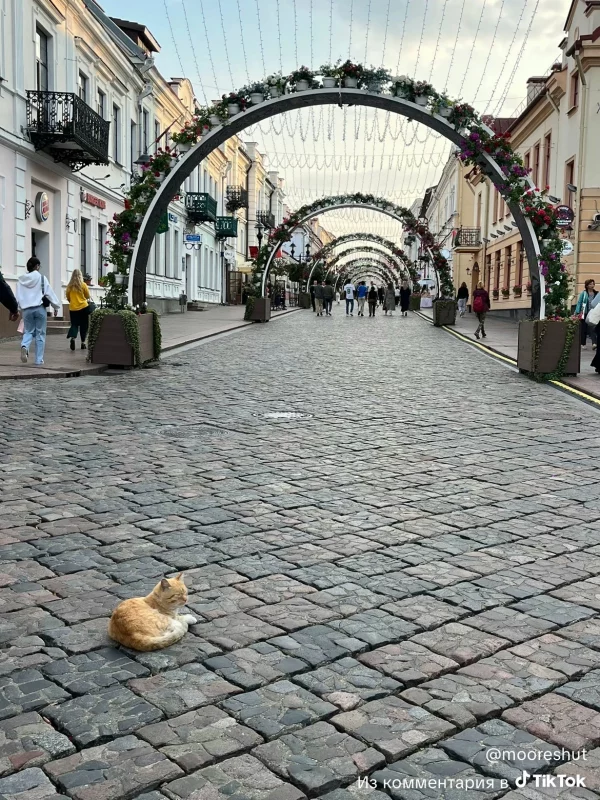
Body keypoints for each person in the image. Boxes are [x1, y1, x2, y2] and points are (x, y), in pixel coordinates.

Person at [16, 256, 60, 365]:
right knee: (40, 334)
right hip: (39, 308)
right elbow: (49, 293)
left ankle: (24, 346)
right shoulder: (41, 278)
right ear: (37, 266)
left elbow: (17, 297)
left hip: (26, 310)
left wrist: (16, 309)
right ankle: (38, 360)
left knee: (28, 331)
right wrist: (56, 306)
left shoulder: (20, 280)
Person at [65, 269, 91, 350]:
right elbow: (87, 296)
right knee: (84, 325)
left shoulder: (69, 286)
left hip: (73, 308)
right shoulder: (83, 285)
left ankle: (73, 338)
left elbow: (68, 297)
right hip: (83, 307)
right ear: (81, 275)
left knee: (74, 324)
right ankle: (83, 342)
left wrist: (72, 302)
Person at [576, 279, 599, 348]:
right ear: (587, 285)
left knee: (593, 327)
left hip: (593, 312)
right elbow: (579, 302)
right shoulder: (584, 293)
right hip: (584, 312)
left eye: (593, 284)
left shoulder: (596, 293)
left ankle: (594, 343)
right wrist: (577, 312)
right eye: (590, 284)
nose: (592, 285)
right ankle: (583, 344)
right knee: (584, 328)